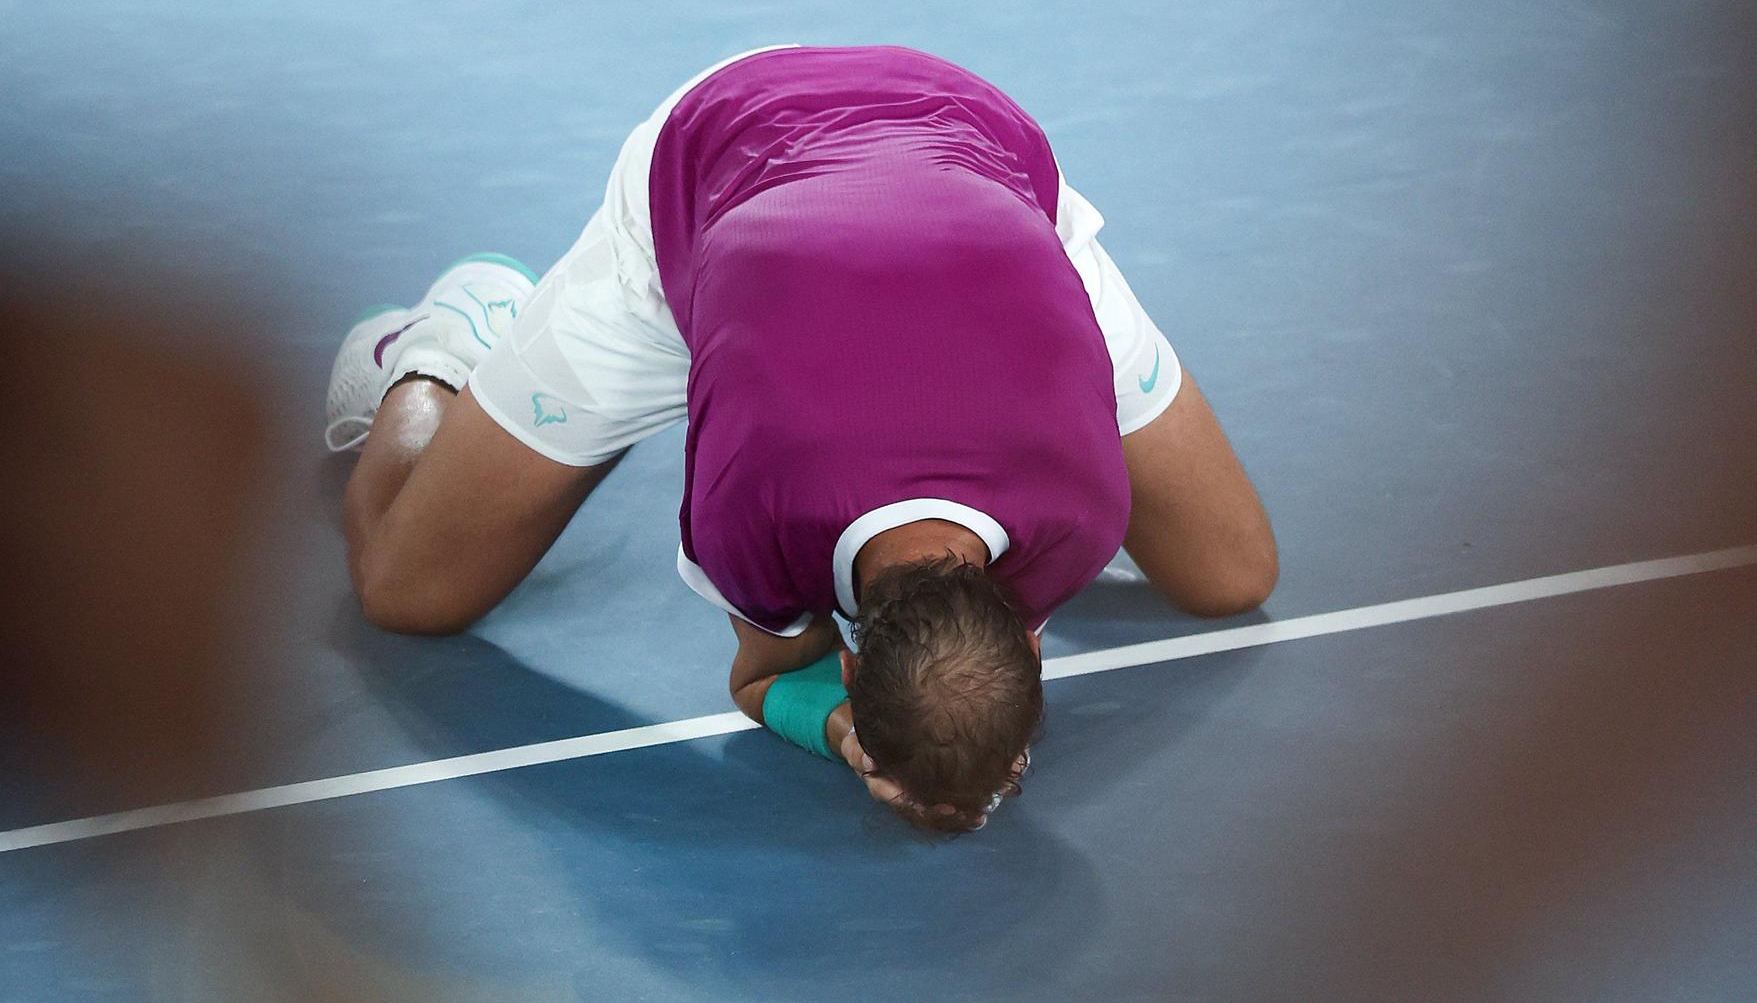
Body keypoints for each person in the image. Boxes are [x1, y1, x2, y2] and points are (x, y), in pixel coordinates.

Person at [325, 45, 1278, 831]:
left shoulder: (1078, 510)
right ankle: (451, 335)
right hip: (716, 166)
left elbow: (897, 664)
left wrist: (889, 724)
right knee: (409, 587)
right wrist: (832, 729)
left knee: (1231, 572)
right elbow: (769, 672)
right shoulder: (754, 506)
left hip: (970, 142)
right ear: (855, 667)